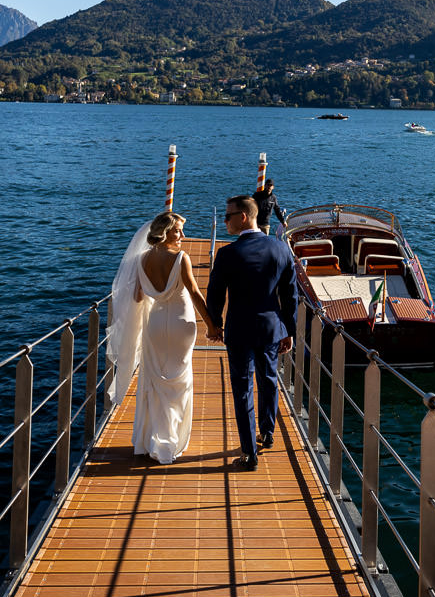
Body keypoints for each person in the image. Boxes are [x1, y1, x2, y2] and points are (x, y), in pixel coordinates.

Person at [107, 211, 211, 464]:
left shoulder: (142, 259)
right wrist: (213, 325)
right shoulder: (181, 258)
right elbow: (195, 293)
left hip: (154, 325)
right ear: (164, 233)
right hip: (181, 324)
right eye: (178, 231)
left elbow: (138, 297)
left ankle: (151, 439)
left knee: (154, 381)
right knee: (179, 382)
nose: (183, 236)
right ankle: (171, 440)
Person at [206, 195, 298, 471]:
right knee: (269, 379)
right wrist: (289, 330)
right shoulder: (281, 250)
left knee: (242, 389)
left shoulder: (227, 254)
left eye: (228, 216)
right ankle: (268, 433)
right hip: (271, 328)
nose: (225, 221)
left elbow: (215, 295)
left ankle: (249, 453)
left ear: (243, 216)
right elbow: (290, 296)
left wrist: (215, 325)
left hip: (239, 330)